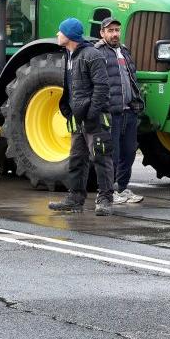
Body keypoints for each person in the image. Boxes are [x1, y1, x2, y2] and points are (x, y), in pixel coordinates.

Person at [49, 17, 116, 215]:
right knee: (77, 159)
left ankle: (105, 200)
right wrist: (69, 110)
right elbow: (71, 86)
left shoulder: (91, 55)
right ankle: (75, 198)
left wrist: (92, 114)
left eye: (60, 31)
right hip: (78, 119)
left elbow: (102, 87)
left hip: (94, 117)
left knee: (101, 157)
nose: (57, 35)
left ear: (69, 35)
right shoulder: (69, 55)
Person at [94, 17, 145, 204]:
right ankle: (110, 191)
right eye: (110, 30)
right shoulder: (97, 53)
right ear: (102, 33)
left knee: (129, 152)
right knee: (112, 155)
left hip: (129, 111)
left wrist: (137, 103)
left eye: (117, 30)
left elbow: (132, 79)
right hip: (111, 113)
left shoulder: (124, 51)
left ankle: (122, 188)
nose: (115, 34)